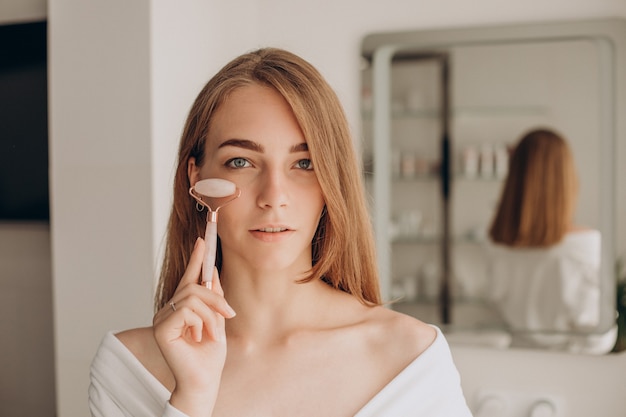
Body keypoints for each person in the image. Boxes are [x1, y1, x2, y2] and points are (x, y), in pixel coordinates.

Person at [88, 47, 472, 416]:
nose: (274, 196)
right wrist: (192, 397)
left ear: (331, 183)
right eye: (241, 161)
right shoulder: (130, 369)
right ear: (197, 177)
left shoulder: (410, 360)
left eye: (304, 163)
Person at [486, 128, 616, 354]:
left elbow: (495, 310)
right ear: (566, 178)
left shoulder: (497, 241)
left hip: (514, 361)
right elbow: (598, 339)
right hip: (569, 368)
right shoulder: (585, 244)